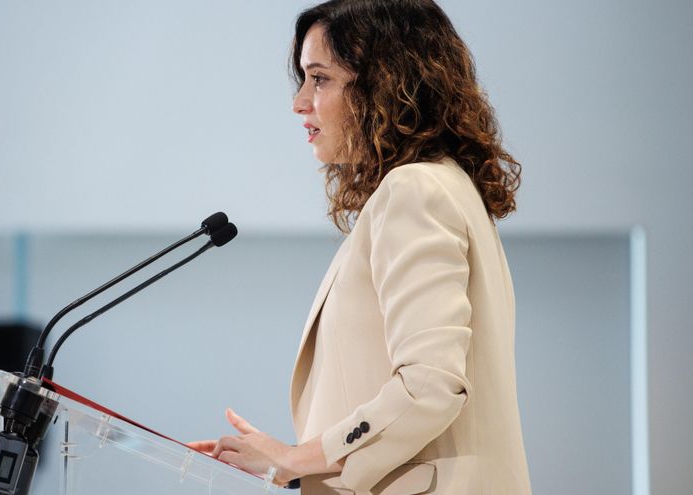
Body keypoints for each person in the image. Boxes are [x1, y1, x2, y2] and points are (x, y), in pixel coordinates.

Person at [190, 1, 531, 493]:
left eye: (319, 79)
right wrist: (294, 464)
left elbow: (430, 385)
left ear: (383, 83)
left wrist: (296, 457)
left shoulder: (415, 190)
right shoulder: (444, 187)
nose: (299, 102)